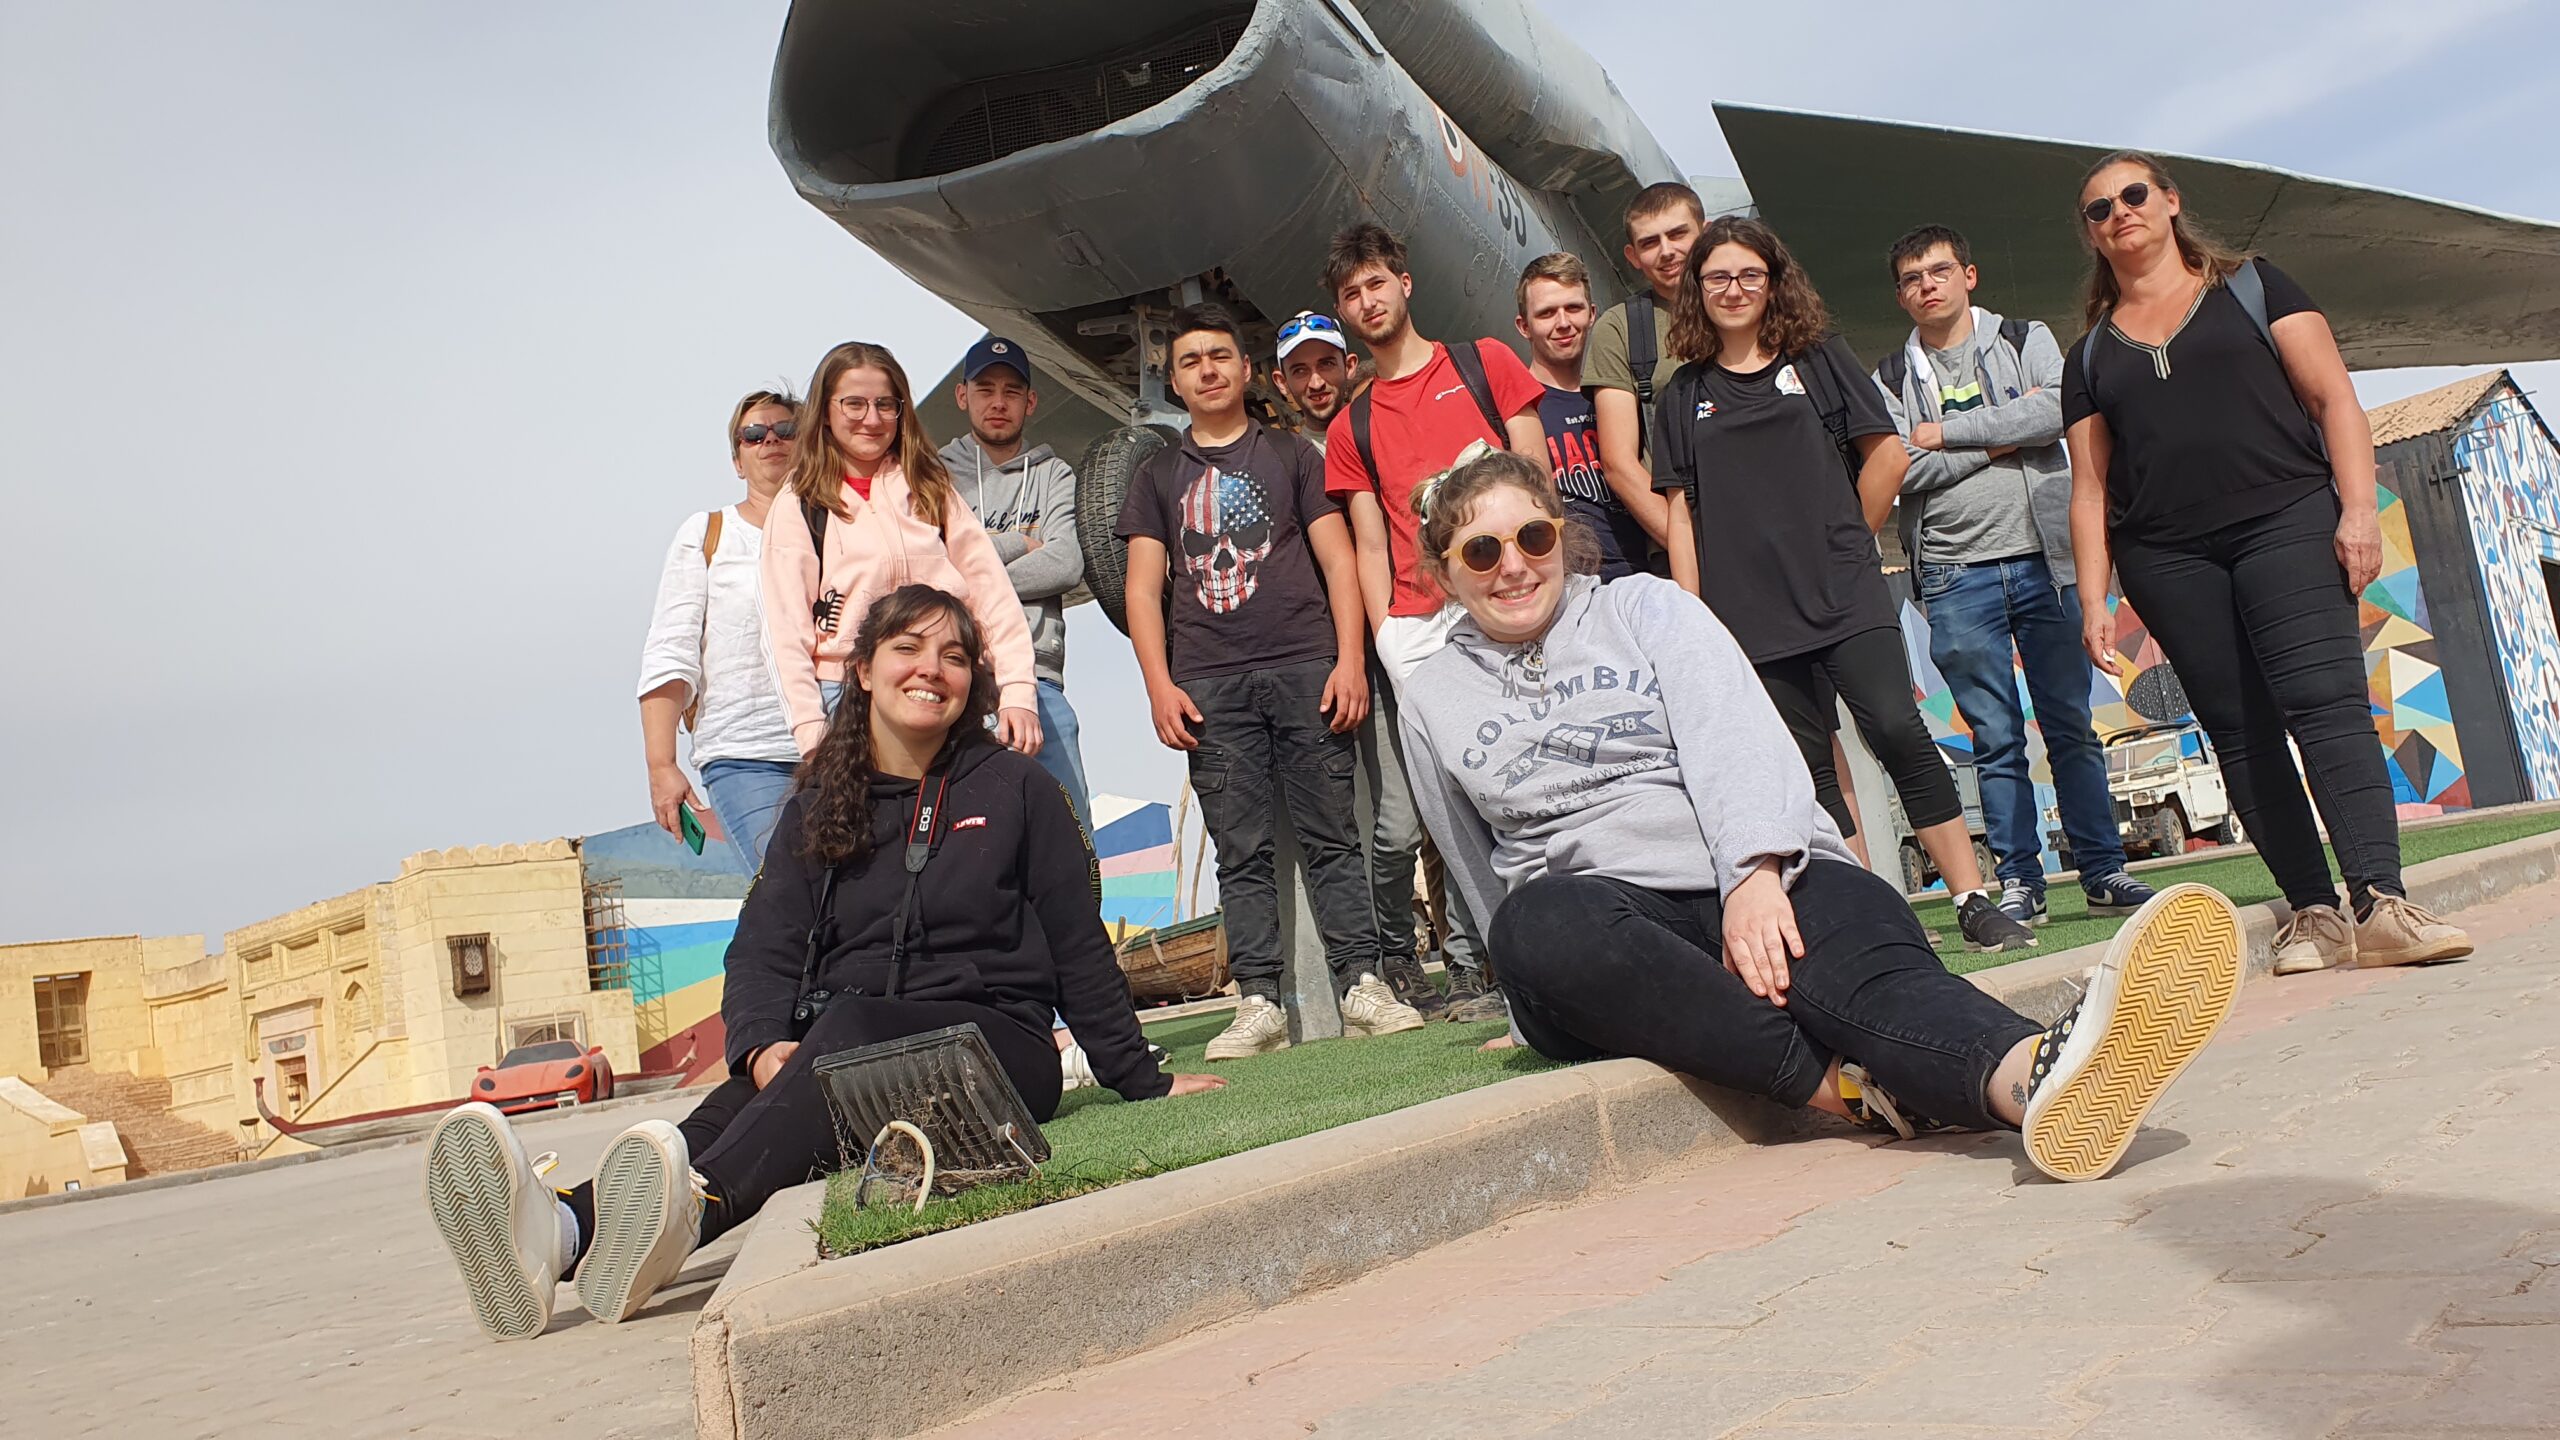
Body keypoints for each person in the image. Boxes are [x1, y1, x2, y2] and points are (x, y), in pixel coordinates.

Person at [1397, 448, 2246, 1183]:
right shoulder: (1430, 694)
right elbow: (1476, 862)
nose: (1513, 565)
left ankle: (2037, 1077)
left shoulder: (1646, 609)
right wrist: (1522, 1001)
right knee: (1536, 926)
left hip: (1746, 866)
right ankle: (1842, 1088)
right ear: (1445, 571)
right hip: (1602, 927)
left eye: (1532, 537)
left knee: (1874, 982)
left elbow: (1734, 738)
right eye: (1481, 550)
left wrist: (1756, 876)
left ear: (1560, 536)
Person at [425, 585, 1225, 1340]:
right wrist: (759, 1042)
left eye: (954, 656)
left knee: (846, 1029)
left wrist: (1142, 1077)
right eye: (909, 648)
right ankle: (563, 1233)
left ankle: (693, 1211)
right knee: (742, 1096)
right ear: (866, 669)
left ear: (972, 681)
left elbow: (1078, 944)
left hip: (999, 1050)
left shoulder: (1017, 789)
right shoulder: (819, 799)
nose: (932, 670)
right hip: (848, 1044)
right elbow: (765, 941)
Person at [2061, 152, 2473, 975]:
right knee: (2242, 734)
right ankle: (2313, 915)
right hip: (2167, 558)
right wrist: (2095, 599)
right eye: (2100, 208)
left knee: (2324, 705)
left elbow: (2333, 400)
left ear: (2171, 202)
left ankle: (2382, 904)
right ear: (2092, 235)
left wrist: (2359, 510)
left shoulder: (2252, 286)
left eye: (2134, 194)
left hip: (2286, 520)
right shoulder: (2089, 358)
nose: (2120, 213)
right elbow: (2089, 490)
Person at [1651, 216, 2036, 954]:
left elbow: (1887, 454)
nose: (1734, 290)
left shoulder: (1819, 359)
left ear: (1774, 283)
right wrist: (1694, 618)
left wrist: (1846, 537)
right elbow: (1679, 513)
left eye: (1749, 276)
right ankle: (1870, 919)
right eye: (1717, 278)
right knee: (1807, 768)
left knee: (1896, 726)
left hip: (1844, 591)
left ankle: (1972, 899)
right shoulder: (1682, 395)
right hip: (1745, 614)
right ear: (1697, 291)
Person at [1118, 304, 1427, 1058]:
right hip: (1210, 682)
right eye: (1191, 362)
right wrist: (1159, 685)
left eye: (1221, 356)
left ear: (1247, 369)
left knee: (1333, 838)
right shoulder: (1157, 474)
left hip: (1303, 665)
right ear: (1175, 379)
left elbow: (1338, 561)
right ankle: (1260, 1002)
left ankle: (1363, 983)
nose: (1209, 371)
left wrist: (1349, 659)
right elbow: (1141, 588)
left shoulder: (1292, 457)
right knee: (1241, 851)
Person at [1876, 226, 2157, 927]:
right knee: (1995, 737)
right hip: (1952, 573)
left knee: (2069, 723)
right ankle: (2020, 883)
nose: (1927, 287)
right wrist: (2004, 436)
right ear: (1901, 294)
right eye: (1912, 279)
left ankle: (2103, 872)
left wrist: (1950, 432)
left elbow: (2058, 407)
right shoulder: (1888, 377)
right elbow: (1904, 466)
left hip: (2047, 563)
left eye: (1939, 271)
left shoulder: (2023, 336)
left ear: (1969, 275)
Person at [1321, 222, 1549, 1022]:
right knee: (1452, 806)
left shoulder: (1483, 362)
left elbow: (1537, 477)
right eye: (1351, 294)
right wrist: (1388, 632)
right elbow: (1370, 536)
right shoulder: (1349, 426)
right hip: (1420, 627)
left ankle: (1573, 943)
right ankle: (1489, 970)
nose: (1367, 301)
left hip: (1514, 599)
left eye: (1376, 283)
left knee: (1538, 778)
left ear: (1405, 283)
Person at [761, 340, 1042, 762]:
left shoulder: (931, 487)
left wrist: (1018, 689)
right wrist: (811, 731)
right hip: (848, 694)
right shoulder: (800, 501)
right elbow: (785, 631)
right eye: (854, 404)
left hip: (943, 683)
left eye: (885, 405)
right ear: (825, 413)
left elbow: (990, 589)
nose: (871, 419)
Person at [1273, 310, 1440, 1013]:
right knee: (1393, 821)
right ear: (1280, 383)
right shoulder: (1283, 457)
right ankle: (1395, 953)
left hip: (1409, 629)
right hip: (1345, 655)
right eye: (1301, 370)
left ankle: (1469, 959)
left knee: (1446, 802)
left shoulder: (1376, 424)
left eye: (1326, 365)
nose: (1317, 381)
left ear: (1350, 366)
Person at [637, 389, 807, 871]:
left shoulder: (838, 531)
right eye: (753, 435)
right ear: (737, 459)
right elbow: (671, 651)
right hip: (744, 753)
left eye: (785, 430)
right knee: (788, 893)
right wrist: (661, 765)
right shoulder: (707, 533)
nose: (769, 440)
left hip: (840, 749)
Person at [937, 335, 1094, 844]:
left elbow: (1066, 562)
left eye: (1011, 391)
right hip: (954, 676)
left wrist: (971, 572)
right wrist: (1018, 543)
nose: (998, 402)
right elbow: (932, 572)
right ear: (963, 396)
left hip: (1037, 674)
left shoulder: (1053, 474)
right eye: (985, 389)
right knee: (964, 840)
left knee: (1068, 835)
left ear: (1030, 402)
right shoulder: (933, 475)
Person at [1580, 181, 1698, 571]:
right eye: (1650, 243)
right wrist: (1691, 546)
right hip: (1680, 551)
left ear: (1706, 232)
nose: (1667, 251)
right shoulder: (1622, 329)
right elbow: (1618, 463)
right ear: (1632, 256)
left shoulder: (1747, 308)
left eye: (1678, 234)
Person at [1515, 252, 1650, 580]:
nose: (1563, 323)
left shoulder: (1624, 398)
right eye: (1546, 313)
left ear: (1592, 314)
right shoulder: (1516, 410)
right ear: (1524, 326)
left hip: (1649, 575)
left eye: (1573, 308)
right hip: (1571, 587)